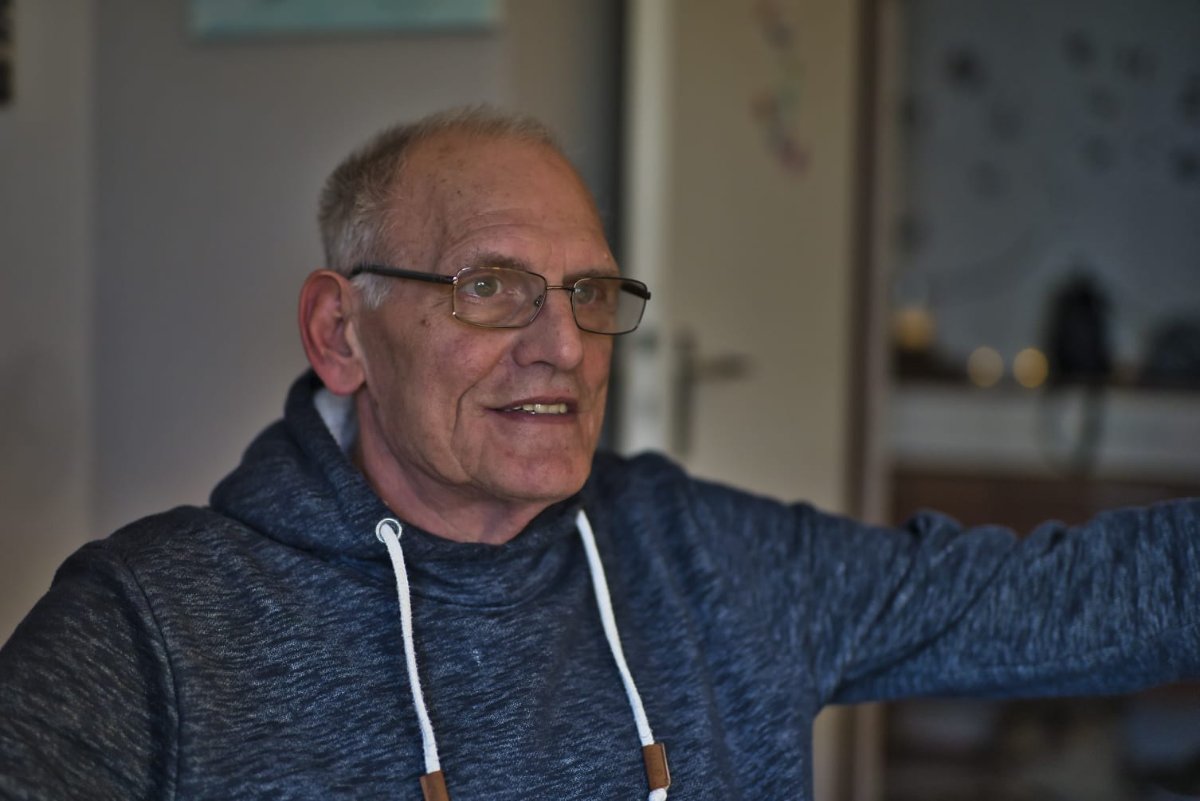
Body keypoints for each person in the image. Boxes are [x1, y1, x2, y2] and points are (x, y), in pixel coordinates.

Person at [0, 107, 1197, 801]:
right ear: (340, 334)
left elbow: (1067, 600)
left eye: (586, 292)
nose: (564, 346)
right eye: (492, 288)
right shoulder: (150, 629)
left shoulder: (714, 565)